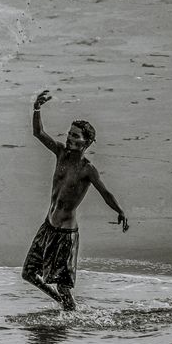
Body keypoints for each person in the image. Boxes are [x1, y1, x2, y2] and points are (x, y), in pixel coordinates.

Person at [22, 90, 128, 311]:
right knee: (29, 273)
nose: (69, 138)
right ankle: (66, 306)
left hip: (65, 235)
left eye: (75, 136)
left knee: (63, 286)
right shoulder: (61, 153)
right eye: (70, 134)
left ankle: (70, 309)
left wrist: (120, 211)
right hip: (47, 227)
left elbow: (105, 193)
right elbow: (38, 132)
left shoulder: (87, 169)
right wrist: (37, 108)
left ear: (86, 142)